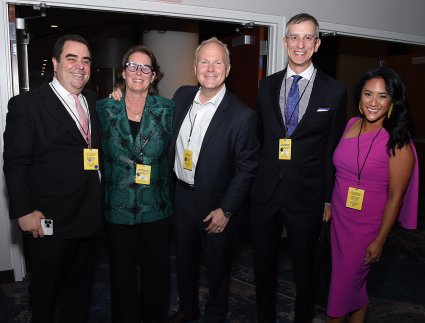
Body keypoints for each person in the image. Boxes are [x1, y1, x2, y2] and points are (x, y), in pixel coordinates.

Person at [250, 13, 347, 322]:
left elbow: (333, 148)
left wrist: (329, 198)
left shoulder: (334, 91)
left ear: (317, 44)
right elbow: (259, 138)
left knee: (305, 271)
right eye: (294, 37)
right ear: (284, 41)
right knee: (262, 267)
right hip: (265, 194)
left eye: (308, 38)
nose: (300, 44)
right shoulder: (266, 85)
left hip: (307, 197)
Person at [3, 34, 102, 323]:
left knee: (79, 291)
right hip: (48, 220)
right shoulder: (27, 104)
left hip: (87, 217)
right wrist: (23, 211)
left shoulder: (92, 101)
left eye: (85, 60)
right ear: (56, 63)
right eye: (72, 58)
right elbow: (15, 162)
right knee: (46, 290)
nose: (79, 66)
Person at [169, 37, 259, 323]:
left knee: (218, 267)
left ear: (228, 68)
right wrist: (122, 95)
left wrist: (227, 210)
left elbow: (247, 169)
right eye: (204, 61)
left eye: (217, 62)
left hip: (216, 205)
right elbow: (149, 114)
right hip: (181, 196)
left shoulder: (242, 116)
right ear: (195, 67)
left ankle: (216, 314)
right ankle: (187, 308)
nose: (210, 68)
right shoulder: (181, 97)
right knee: (184, 261)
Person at [326, 66, 418, 323]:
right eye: (368, 94)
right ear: (359, 97)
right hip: (340, 222)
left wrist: (380, 240)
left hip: (366, 229)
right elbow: (340, 173)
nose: (373, 102)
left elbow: (396, 198)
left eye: (382, 96)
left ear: (392, 101)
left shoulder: (397, 143)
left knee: (339, 295)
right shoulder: (352, 124)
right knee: (356, 290)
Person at [96, 45, 174, 323]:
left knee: (157, 274)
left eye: (145, 68)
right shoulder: (104, 108)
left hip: (156, 207)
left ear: (153, 76)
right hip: (118, 209)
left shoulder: (168, 109)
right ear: (123, 71)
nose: (138, 72)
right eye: (133, 66)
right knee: (121, 275)